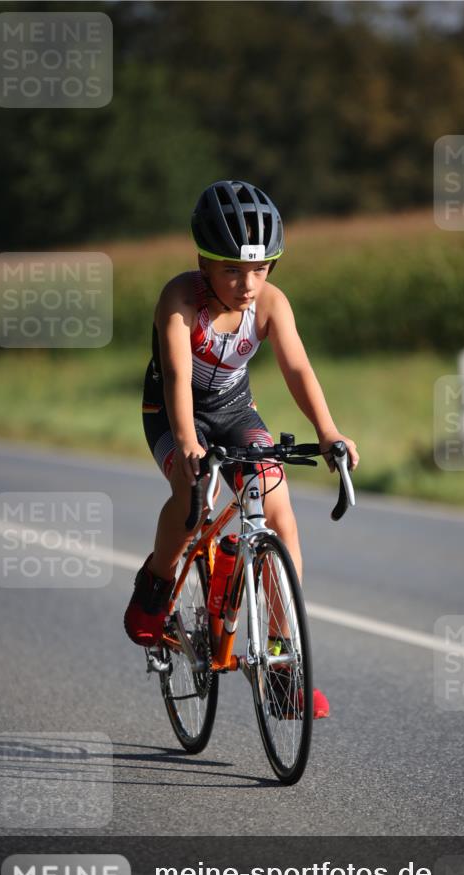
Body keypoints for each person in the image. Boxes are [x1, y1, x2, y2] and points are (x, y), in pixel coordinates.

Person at [124, 179, 359, 719]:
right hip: (172, 412)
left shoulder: (271, 303)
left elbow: (298, 367)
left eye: (260, 268)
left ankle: (280, 661)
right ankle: (156, 587)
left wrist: (328, 431)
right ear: (203, 262)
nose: (248, 283)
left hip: (234, 412)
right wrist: (186, 443)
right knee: (194, 498)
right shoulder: (179, 300)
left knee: (278, 512)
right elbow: (179, 377)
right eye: (232, 269)